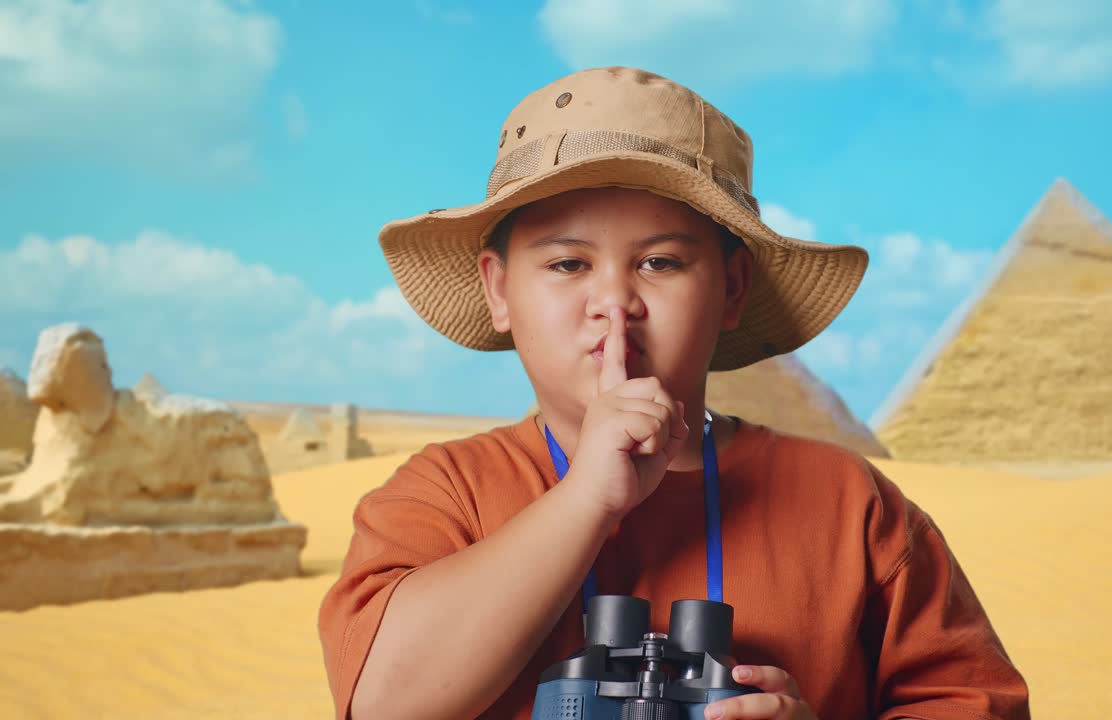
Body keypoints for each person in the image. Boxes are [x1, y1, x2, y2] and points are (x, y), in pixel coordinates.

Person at [318, 66, 1031, 720]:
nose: (614, 303)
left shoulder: (853, 507)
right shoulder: (442, 495)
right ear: (500, 290)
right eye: (568, 264)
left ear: (732, 289)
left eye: (660, 262)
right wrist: (586, 499)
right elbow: (385, 701)